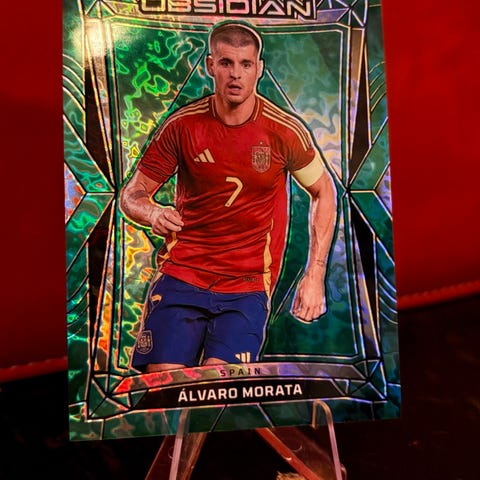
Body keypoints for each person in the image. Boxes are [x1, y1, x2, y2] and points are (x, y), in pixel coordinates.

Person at [120, 20, 337, 373]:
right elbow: (132, 194)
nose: (236, 74)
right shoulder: (182, 126)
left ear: (259, 69)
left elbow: (324, 191)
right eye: (226, 63)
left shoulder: (284, 131)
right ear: (210, 66)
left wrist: (315, 274)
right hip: (183, 273)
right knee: (165, 386)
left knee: (221, 386)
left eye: (245, 64)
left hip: (247, 284)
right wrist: (153, 212)